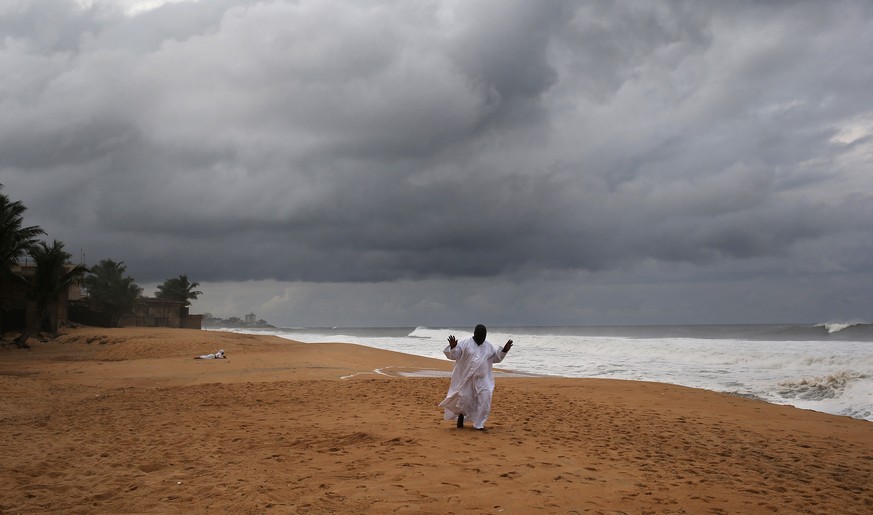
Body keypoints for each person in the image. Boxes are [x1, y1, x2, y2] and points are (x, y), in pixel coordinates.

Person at [438, 324, 513, 431]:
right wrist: (453, 347)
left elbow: (496, 358)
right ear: (475, 334)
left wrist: (504, 350)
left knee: (485, 399)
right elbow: (454, 356)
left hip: (483, 379)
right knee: (465, 399)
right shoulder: (464, 343)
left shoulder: (489, 346)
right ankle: (461, 415)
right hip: (466, 378)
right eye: (480, 336)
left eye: (484, 336)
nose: (482, 338)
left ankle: (478, 425)